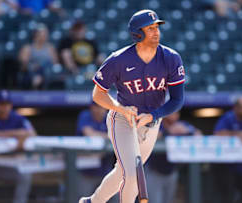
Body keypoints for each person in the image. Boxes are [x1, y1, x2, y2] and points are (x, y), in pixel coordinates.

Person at [79, 9, 185, 203]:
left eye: (157, 27)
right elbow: (98, 94)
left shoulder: (171, 58)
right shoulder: (118, 59)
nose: (156, 31)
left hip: (152, 122)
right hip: (123, 118)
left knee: (122, 172)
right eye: (150, 28)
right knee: (133, 173)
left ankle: (92, 202)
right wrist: (121, 109)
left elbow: (178, 100)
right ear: (137, 33)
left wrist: (153, 116)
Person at [146, 111, 201, 203]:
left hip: (171, 172)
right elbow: (149, 135)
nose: (174, 115)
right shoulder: (157, 123)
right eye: (171, 112)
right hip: (153, 171)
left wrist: (187, 131)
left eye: (176, 112)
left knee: (168, 200)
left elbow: (199, 134)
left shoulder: (182, 125)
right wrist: (168, 131)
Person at [76, 102, 119, 203]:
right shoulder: (85, 116)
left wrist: (107, 139)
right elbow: (88, 133)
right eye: (95, 106)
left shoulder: (110, 118)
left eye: (101, 106)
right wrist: (107, 138)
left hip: (105, 172)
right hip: (86, 172)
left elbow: (118, 136)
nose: (97, 109)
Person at [18, 23, 59, 89]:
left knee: (48, 71)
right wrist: (33, 67)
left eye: (46, 33)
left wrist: (41, 67)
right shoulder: (28, 48)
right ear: (36, 34)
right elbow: (24, 65)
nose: (45, 35)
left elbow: (55, 63)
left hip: (46, 73)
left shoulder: (50, 48)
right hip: (31, 73)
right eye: (43, 33)